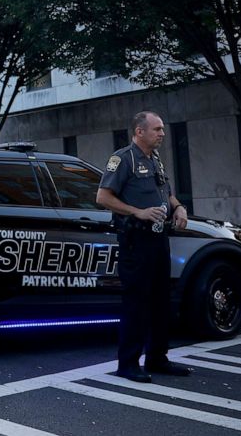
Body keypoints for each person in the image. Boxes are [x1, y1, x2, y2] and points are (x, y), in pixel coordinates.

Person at [96, 111, 192, 383]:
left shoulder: (156, 159)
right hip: (135, 243)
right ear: (139, 131)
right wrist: (136, 211)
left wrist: (179, 207)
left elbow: (167, 192)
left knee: (161, 303)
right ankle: (127, 364)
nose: (162, 133)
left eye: (162, 129)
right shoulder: (122, 159)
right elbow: (103, 196)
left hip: (159, 240)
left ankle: (157, 358)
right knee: (136, 305)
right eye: (157, 129)